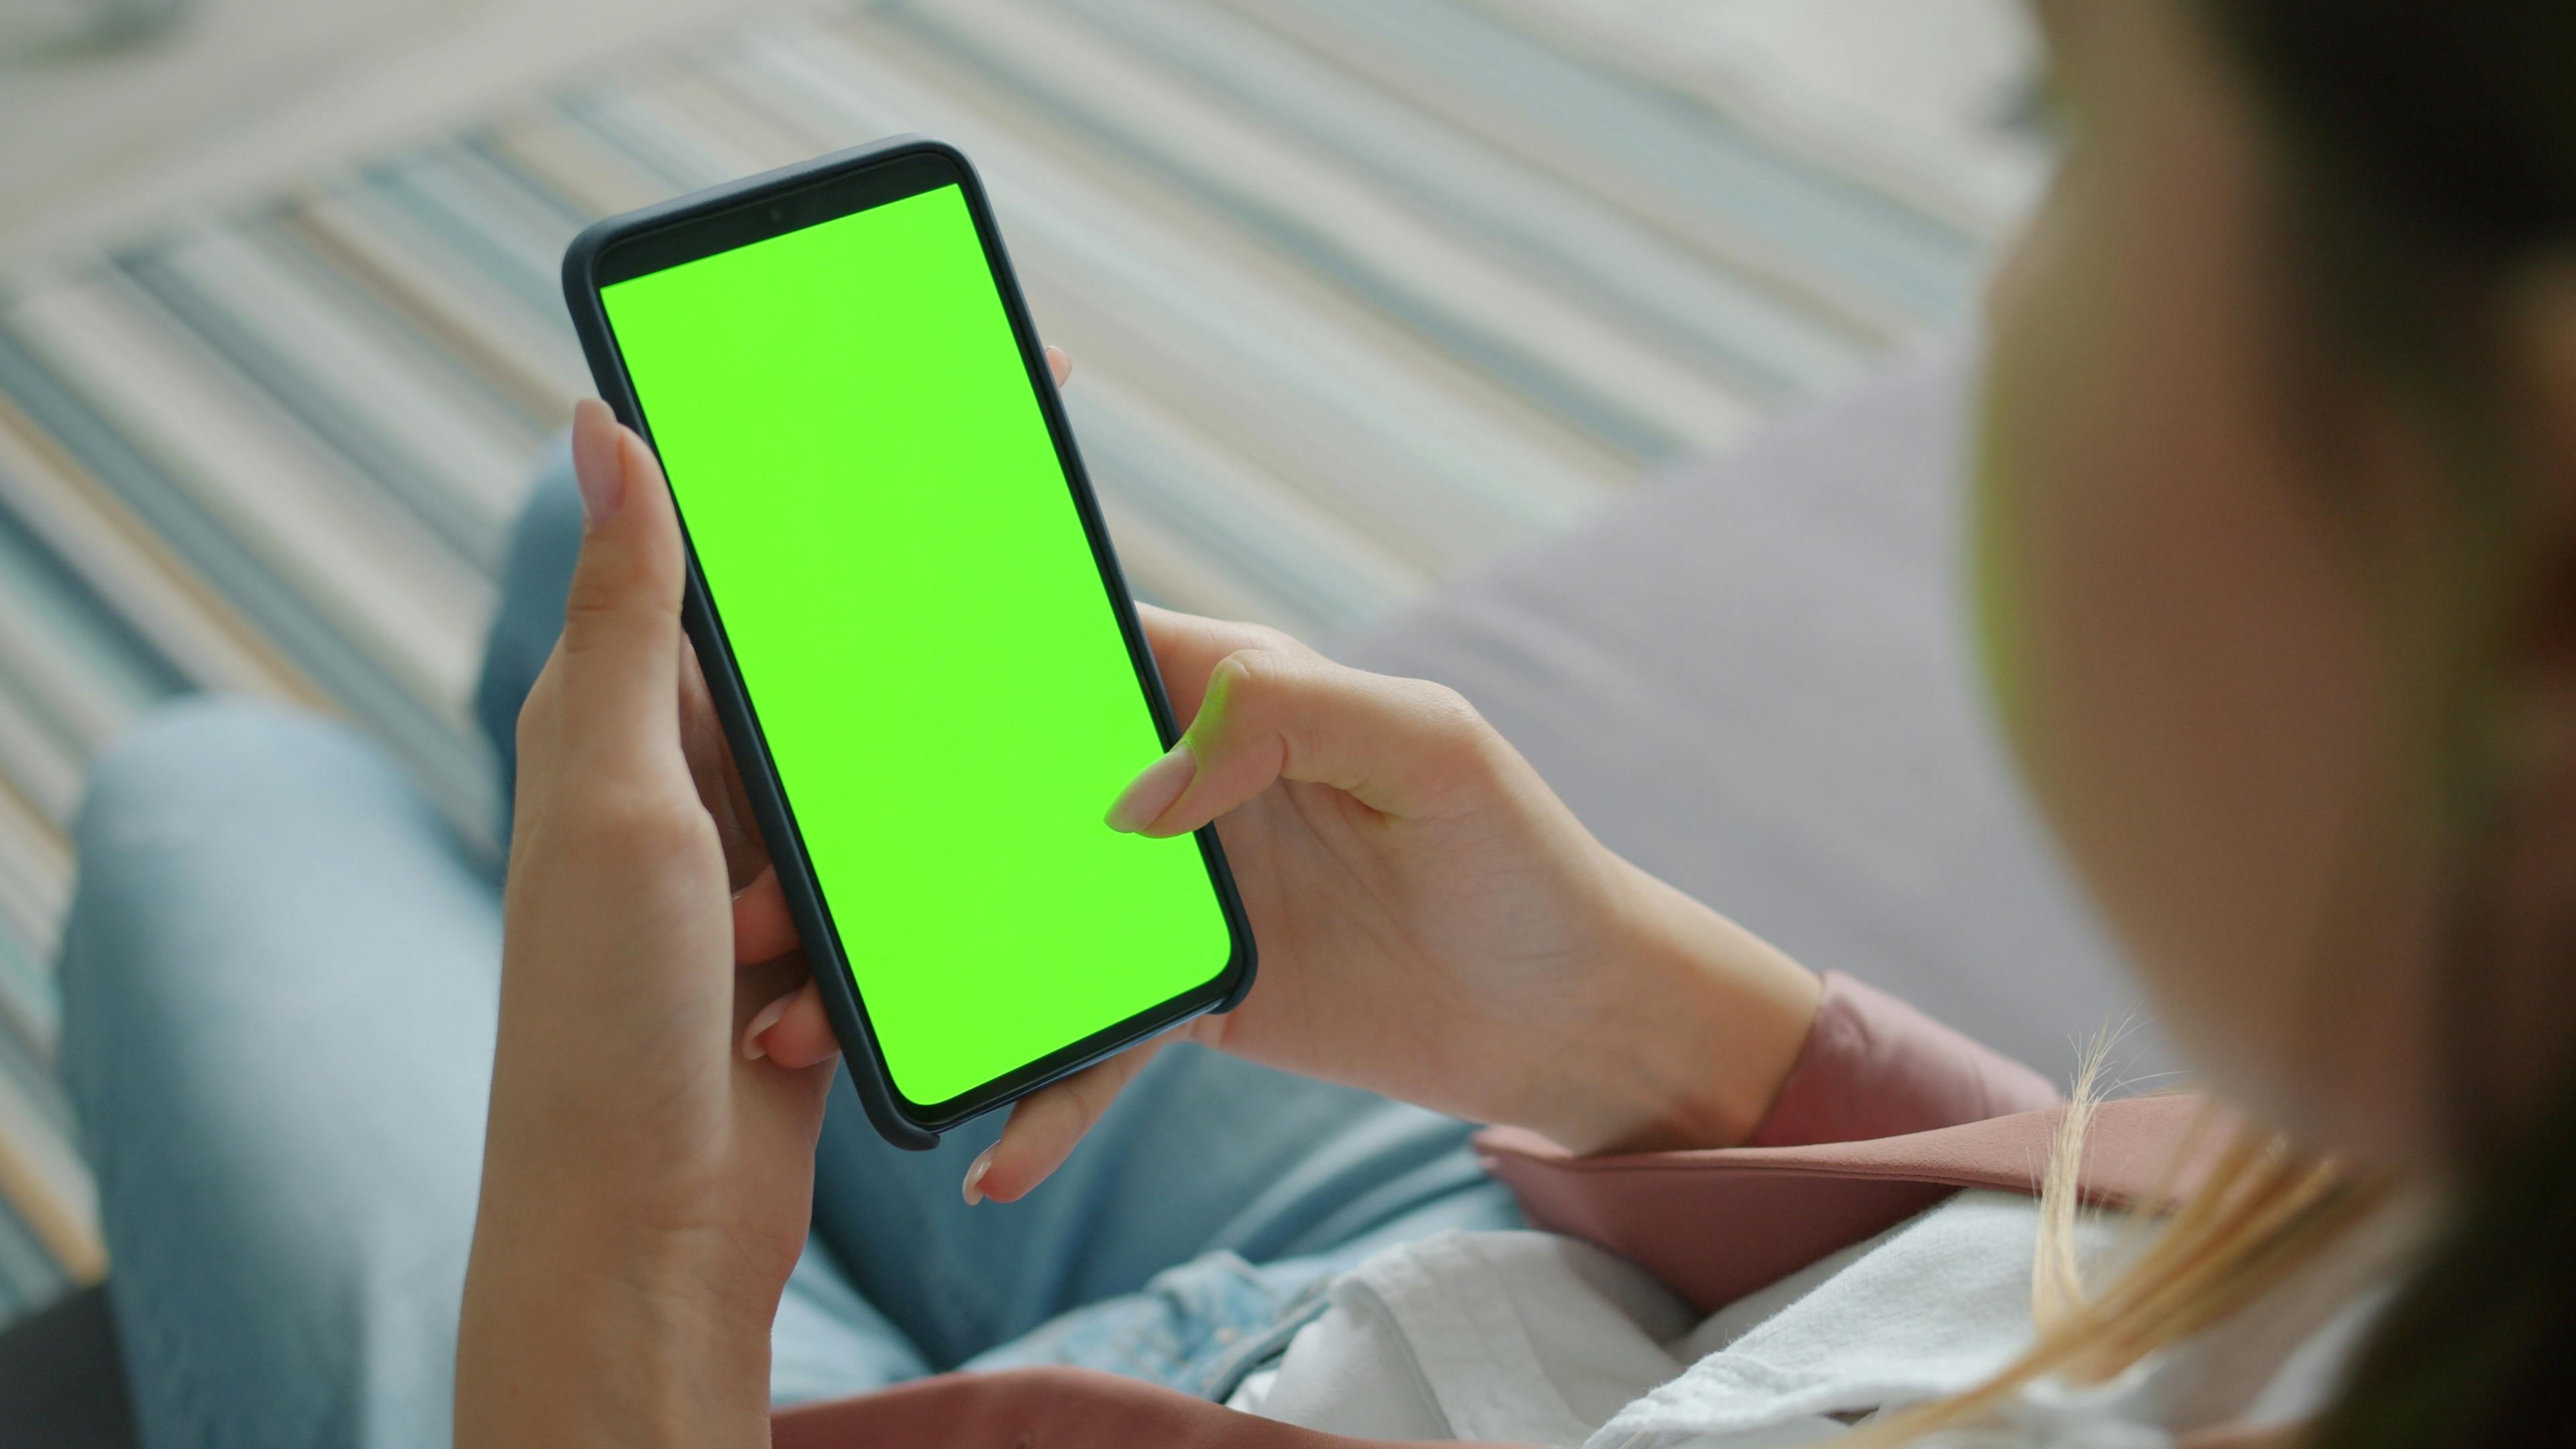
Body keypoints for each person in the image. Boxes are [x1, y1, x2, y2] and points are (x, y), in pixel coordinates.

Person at [55, 0, 2576, 1444]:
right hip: (1564, 1287)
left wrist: (614, 1301)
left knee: (209, 804)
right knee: (606, 555)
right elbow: (2136, 1307)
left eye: (2068, 116)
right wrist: (1643, 1028)